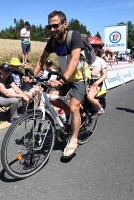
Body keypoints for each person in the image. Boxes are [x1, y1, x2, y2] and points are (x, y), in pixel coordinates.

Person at [33, 10, 91, 158]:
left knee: (73, 107)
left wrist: (61, 80)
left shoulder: (74, 36)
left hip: (79, 78)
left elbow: (74, 60)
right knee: (52, 99)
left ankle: (73, 139)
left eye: (55, 26)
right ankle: (70, 118)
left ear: (65, 24)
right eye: (49, 27)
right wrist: (33, 76)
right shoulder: (52, 41)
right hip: (66, 77)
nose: (52, 30)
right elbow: (42, 60)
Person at [87, 36, 107, 118]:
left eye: (96, 47)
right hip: (86, 82)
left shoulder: (101, 61)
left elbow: (105, 75)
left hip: (96, 82)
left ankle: (100, 109)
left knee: (90, 97)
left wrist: (97, 83)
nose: (93, 49)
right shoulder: (85, 60)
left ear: (98, 49)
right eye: (91, 47)